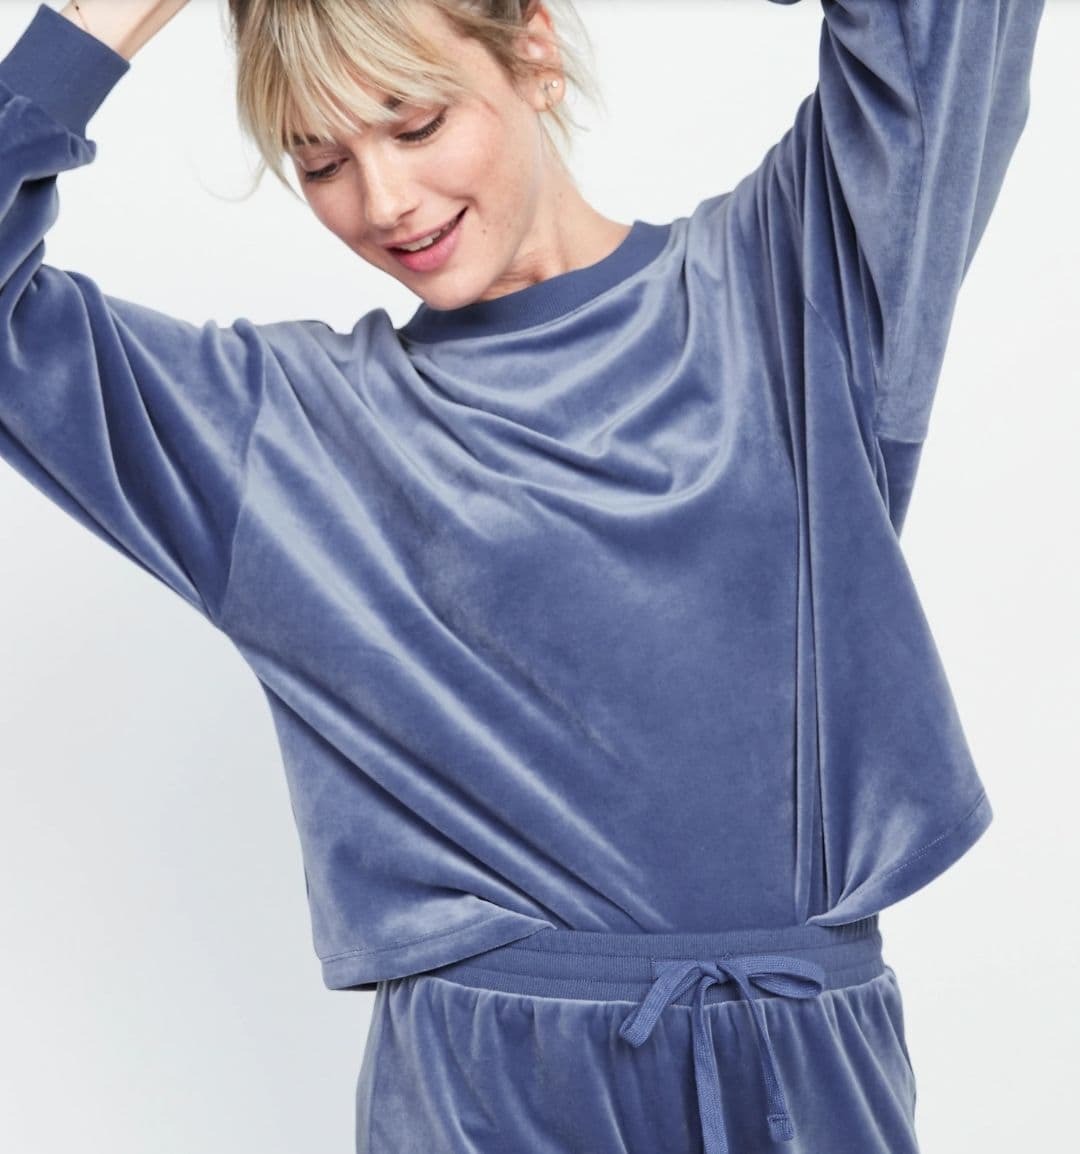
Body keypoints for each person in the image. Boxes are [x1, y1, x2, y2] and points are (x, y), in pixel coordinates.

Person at [0, 1, 1047, 1151]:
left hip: (808, 1071)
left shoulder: (794, 286)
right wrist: (95, 24)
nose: (385, 201)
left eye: (416, 123)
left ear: (533, 51)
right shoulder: (284, 435)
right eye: (322, 161)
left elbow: (942, 28)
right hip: (490, 1097)